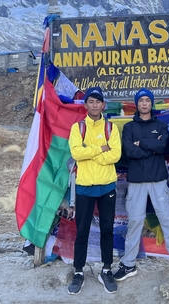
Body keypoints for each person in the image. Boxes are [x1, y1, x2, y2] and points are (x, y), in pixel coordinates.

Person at [114, 88, 169, 282]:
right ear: (137, 104)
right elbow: (129, 151)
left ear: (151, 103)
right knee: (135, 222)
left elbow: (162, 147)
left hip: (158, 180)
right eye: (141, 101)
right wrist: (150, 147)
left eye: (148, 100)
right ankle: (128, 264)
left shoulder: (161, 125)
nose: (145, 103)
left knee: (167, 219)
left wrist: (142, 144)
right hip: (137, 181)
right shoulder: (130, 128)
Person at [67, 86, 122, 295]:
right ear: (86, 104)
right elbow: (76, 153)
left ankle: (106, 269)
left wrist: (90, 153)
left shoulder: (111, 128)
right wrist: (100, 149)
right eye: (91, 101)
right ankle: (78, 271)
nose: (95, 105)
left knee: (107, 229)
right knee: (82, 231)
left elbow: (115, 155)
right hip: (84, 186)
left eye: (98, 102)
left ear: (103, 105)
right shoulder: (77, 128)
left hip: (107, 185)